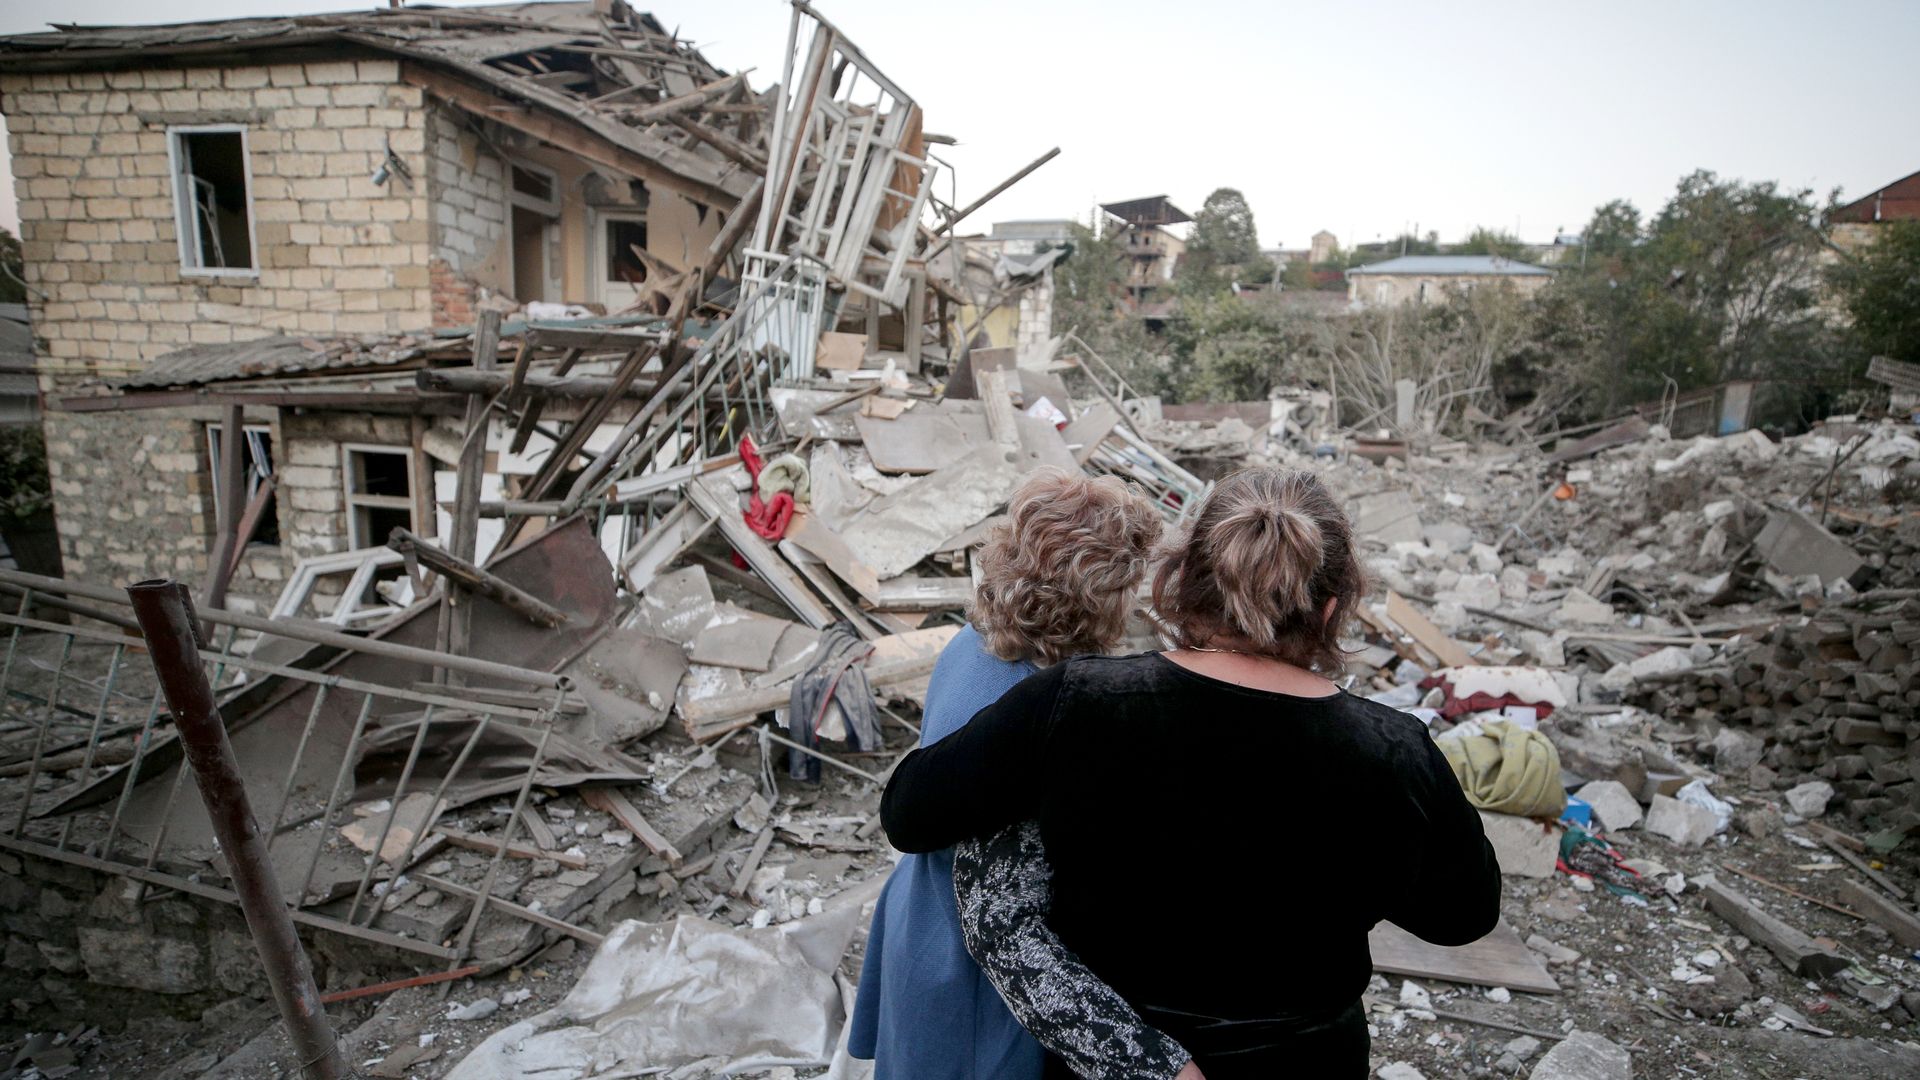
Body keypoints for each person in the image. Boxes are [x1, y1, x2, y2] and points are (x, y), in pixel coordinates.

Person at [882, 466, 1501, 1078]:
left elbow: (909, 814)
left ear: (1180, 582)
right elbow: (1462, 916)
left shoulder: (1074, 701)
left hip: (1119, 1064)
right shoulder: (1395, 749)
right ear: (1332, 609)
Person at [848, 468, 1192, 1079]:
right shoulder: (1041, 706)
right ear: (1102, 594)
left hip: (920, 915)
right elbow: (1004, 914)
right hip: (973, 965)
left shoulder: (970, 643)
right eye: (1130, 583)